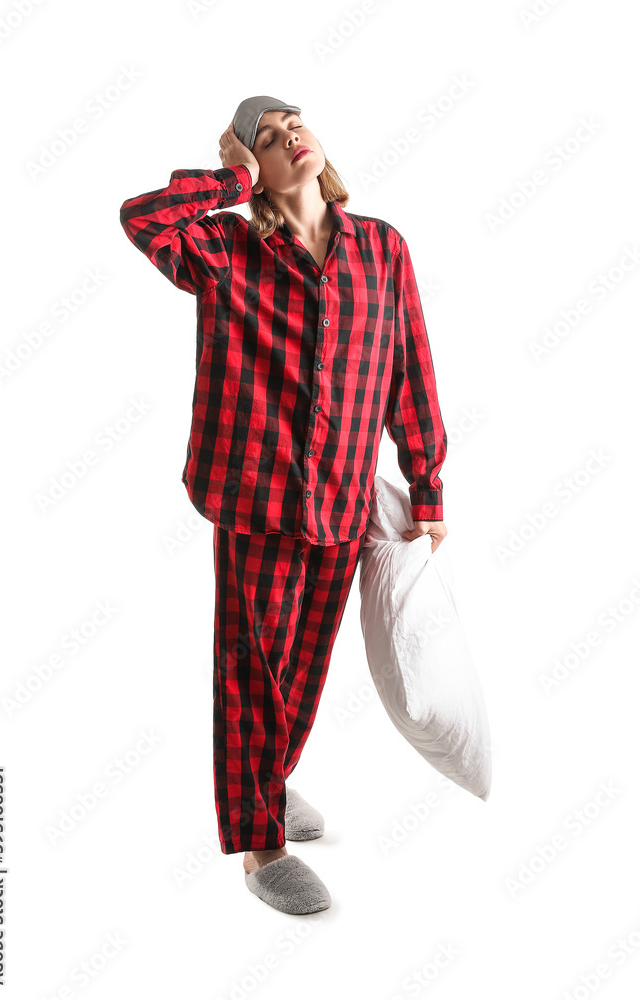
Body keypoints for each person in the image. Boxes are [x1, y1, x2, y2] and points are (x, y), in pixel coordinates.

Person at [119, 95, 448, 914]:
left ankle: (266, 777)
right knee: (251, 672)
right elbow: (141, 218)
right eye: (267, 135)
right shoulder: (225, 250)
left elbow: (409, 365)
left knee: (304, 666)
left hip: (342, 494)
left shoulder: (382, 248)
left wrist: (428, 481)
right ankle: (259, 846)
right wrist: (226, 177)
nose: (289, 134)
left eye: (294, 121)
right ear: (250, 162)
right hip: (252, 493)